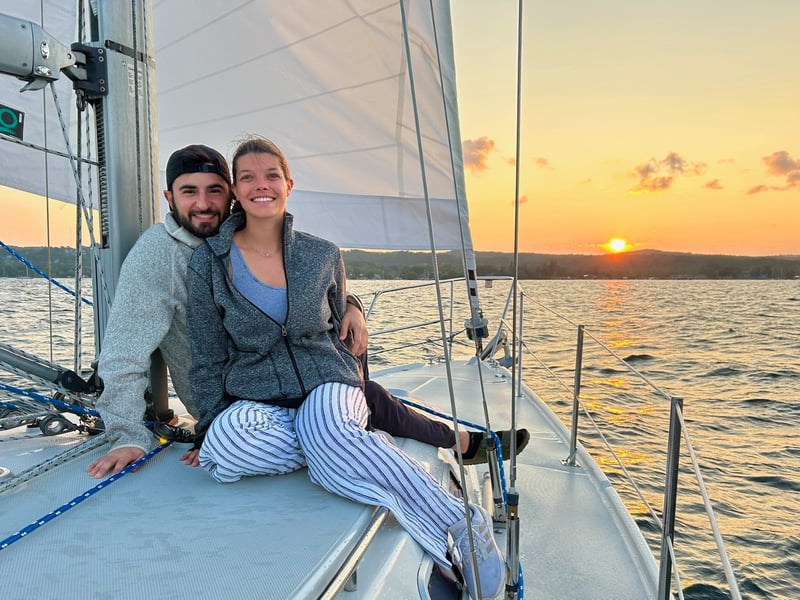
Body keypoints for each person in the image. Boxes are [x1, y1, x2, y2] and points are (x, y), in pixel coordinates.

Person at [183, 135, 505, 599]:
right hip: (258, 396)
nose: (261, 185)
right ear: (236, 189)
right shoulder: (208, 264)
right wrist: (208, 426)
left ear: (288, 184)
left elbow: (341, 323)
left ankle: (462, 523)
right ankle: (342, 447)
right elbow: (207, 354)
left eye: (272, 175)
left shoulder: (321, 254)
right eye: (248, 177)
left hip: (328, 381)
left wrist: (356, 314)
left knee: (328, 434)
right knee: (226, 450)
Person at [86, 144, 527, 480]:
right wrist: (130, 435)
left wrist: (352, 305)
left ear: (232, 195)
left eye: (214, 190)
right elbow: (124, 354)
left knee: (356, 389)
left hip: (280, 383)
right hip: (235, 399)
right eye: (189, 192)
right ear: (169, 197)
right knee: (365, 400)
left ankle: (458, 442)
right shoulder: (160, 255)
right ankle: (456, 442)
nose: (203, 204)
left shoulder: (241, 239)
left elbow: (306, 285)